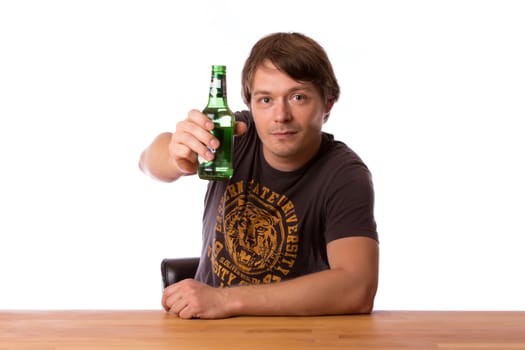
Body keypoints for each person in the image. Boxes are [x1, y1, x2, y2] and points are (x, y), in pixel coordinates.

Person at [139, 32, 379, 319]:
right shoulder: (235, 135)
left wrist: (225, 300)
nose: (280, 115)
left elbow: (357, 288)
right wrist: (176, 158)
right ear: (250, 103)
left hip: (295, 335)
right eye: (265, 99)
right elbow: (147, 162)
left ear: (328, 103)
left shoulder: (344, 174)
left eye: (298, 97)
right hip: (209, 332)